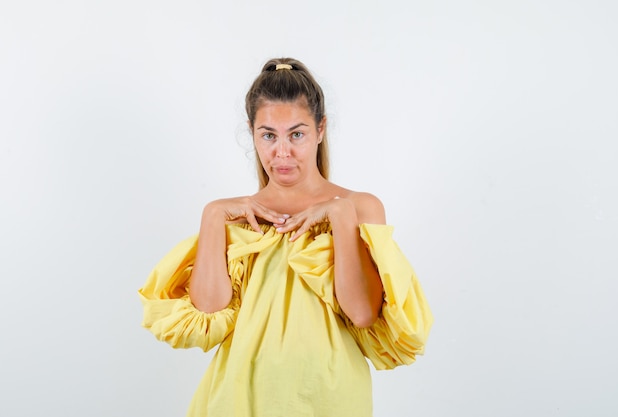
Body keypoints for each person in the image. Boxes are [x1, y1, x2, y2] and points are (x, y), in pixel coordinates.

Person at [139, 58, 433, 417]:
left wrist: (340, 216)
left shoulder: (360, 207)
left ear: (320, 129)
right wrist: (212, 216)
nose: (282, 153)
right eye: (268, 135)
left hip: (329, 398)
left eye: (297, 134)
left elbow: (362, 314)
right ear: (252, 132)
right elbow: (209, 313)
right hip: (237, 399)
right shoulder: (237, 216)